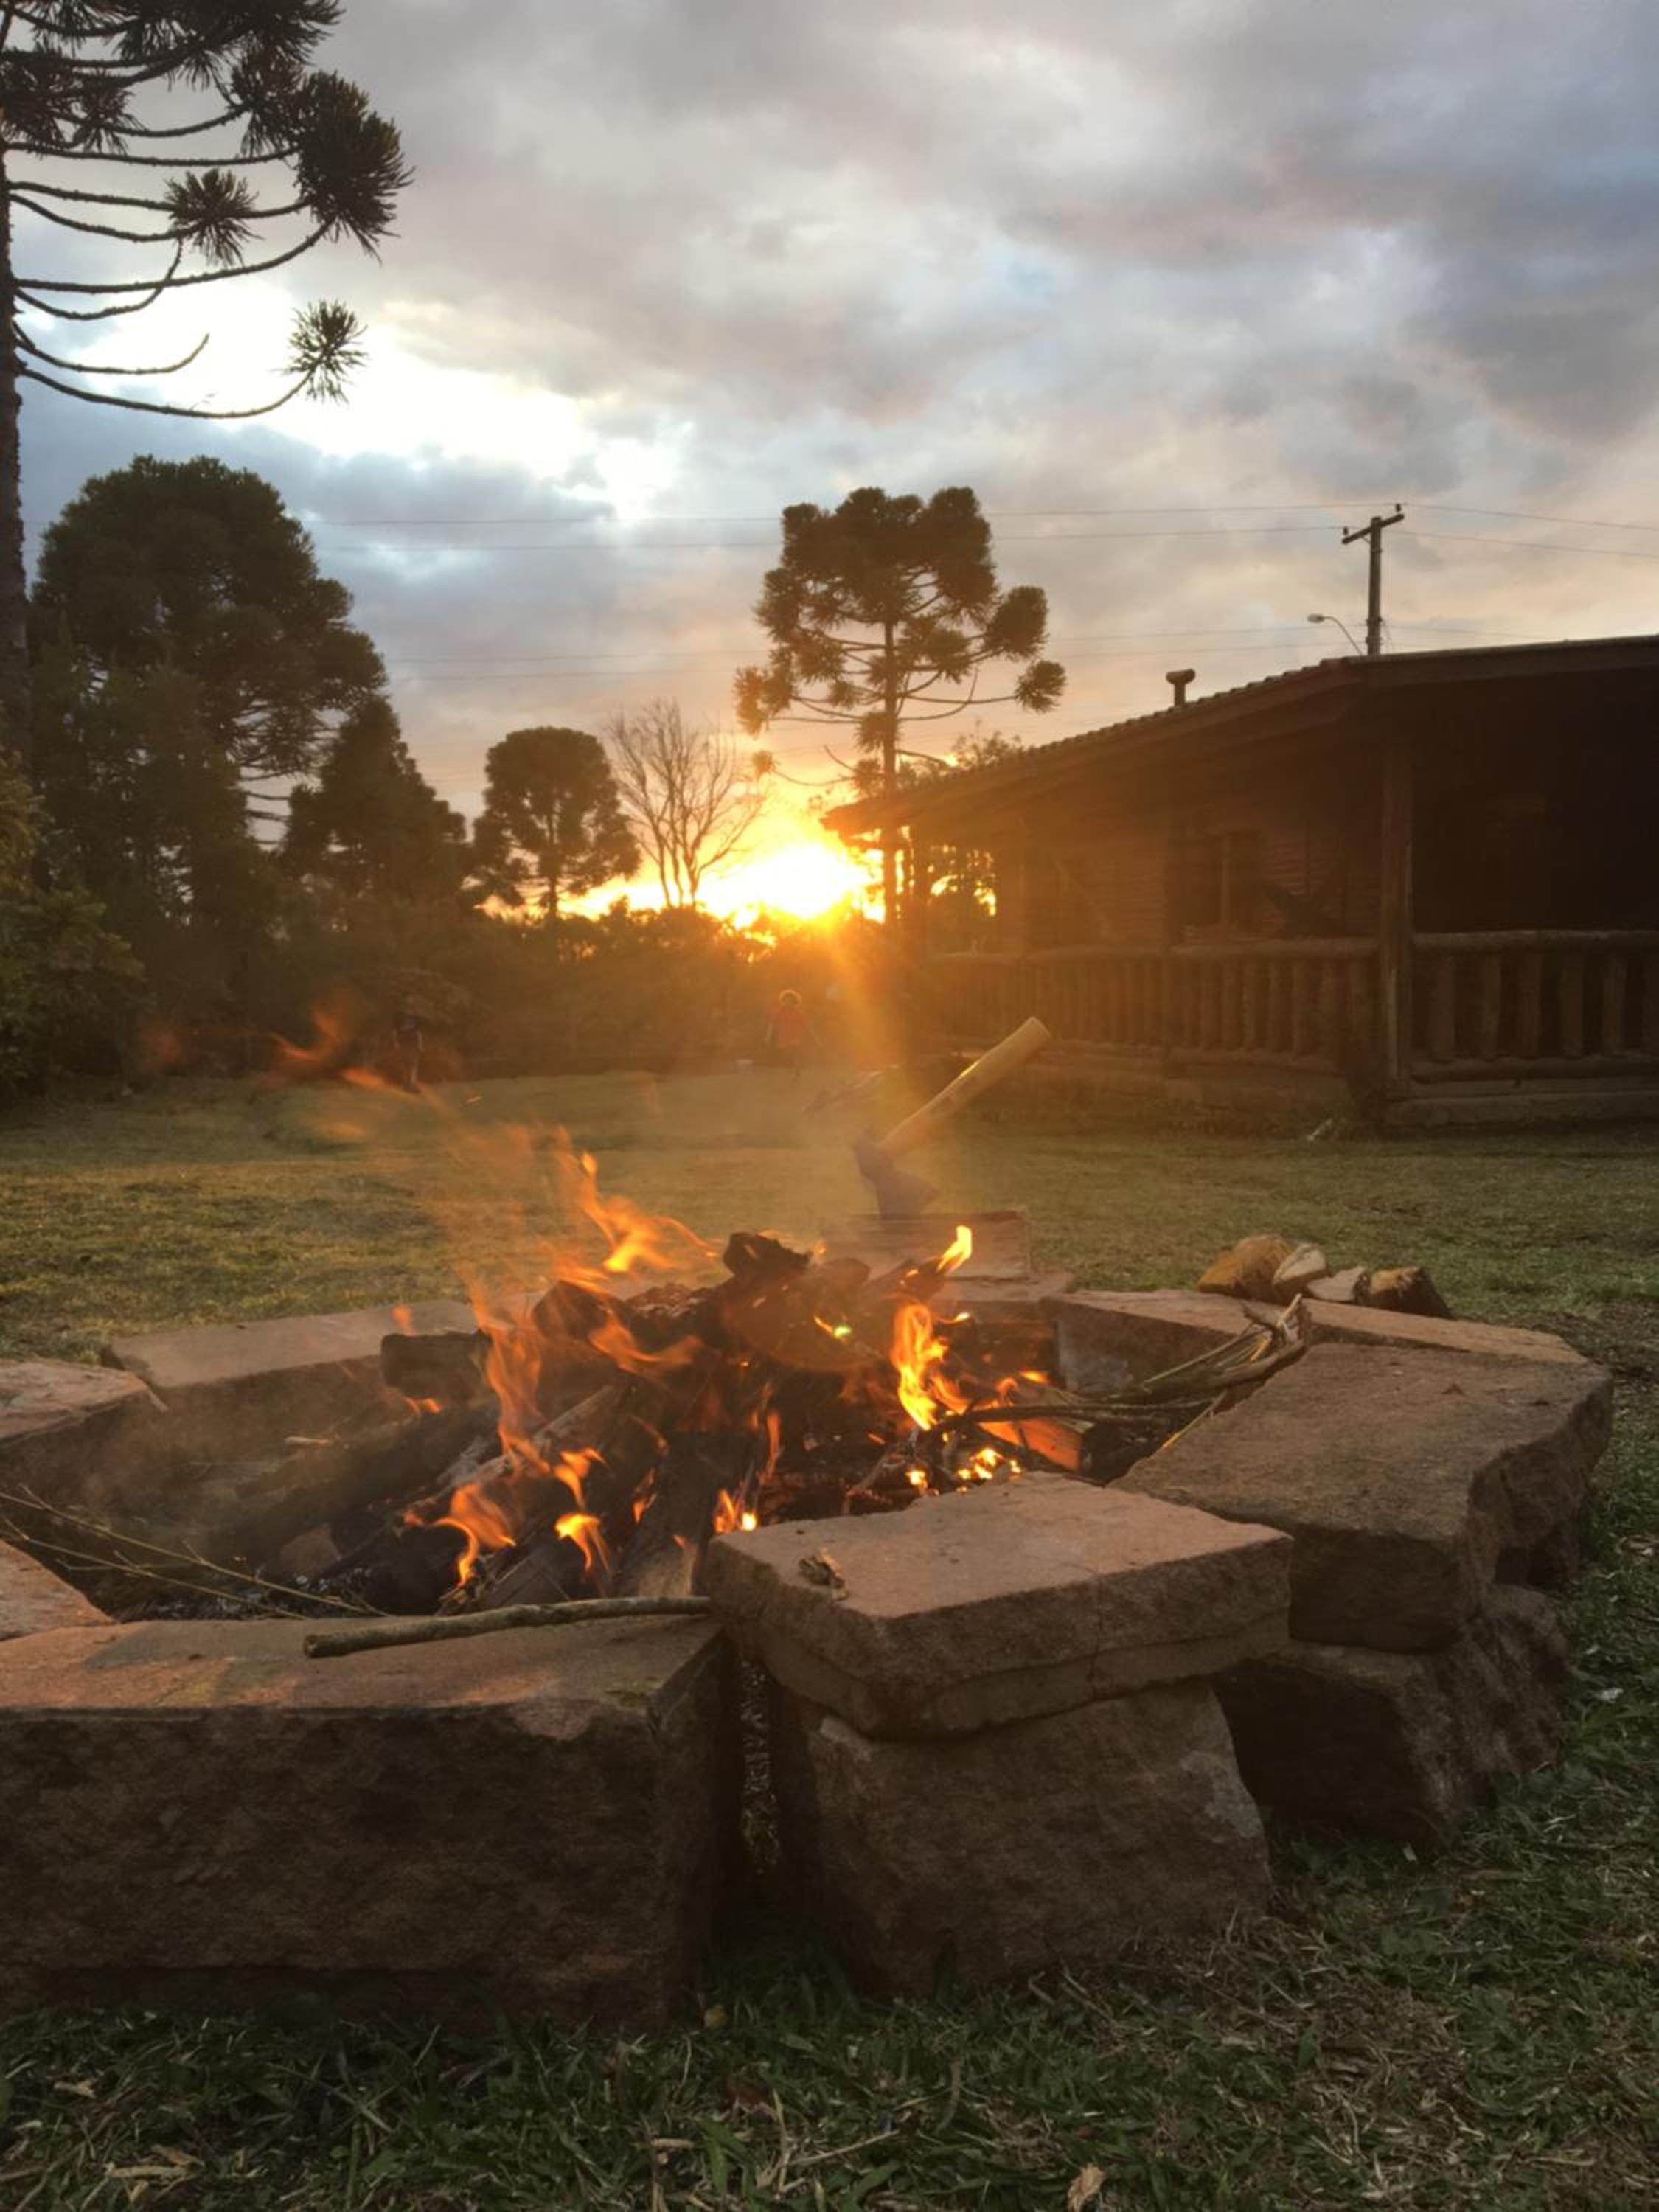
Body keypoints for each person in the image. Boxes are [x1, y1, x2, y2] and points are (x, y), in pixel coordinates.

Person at [765, 987, 813, 1076]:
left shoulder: (799, 1013)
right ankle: (792, 1068)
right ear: (783, 1001)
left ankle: (797, 1069)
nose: (788, 1003)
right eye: (786, 1000)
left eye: (790, 1001)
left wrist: (813, 1037)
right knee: (787, 1054)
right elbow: (771, 1024)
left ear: (794, 1002)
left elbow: (807, 1025)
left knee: (794, 1053)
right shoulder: (779, 1011)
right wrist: (768, 1035)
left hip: (796, 1037)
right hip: (783, 1038)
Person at [392, 998, 422, 1091]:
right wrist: (396, 1043)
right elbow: (394, 1031)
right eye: (407, 1003)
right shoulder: (399, 1016)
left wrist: (420, 1044)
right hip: (403, 1043)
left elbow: (418, 1032)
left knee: (414, 1064)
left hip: (413, 1044)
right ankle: (406, 1084)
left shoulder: (416, 1017)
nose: (409, 1006)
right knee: (405, 1064)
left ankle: (413, 1084)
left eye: (411, 1003)